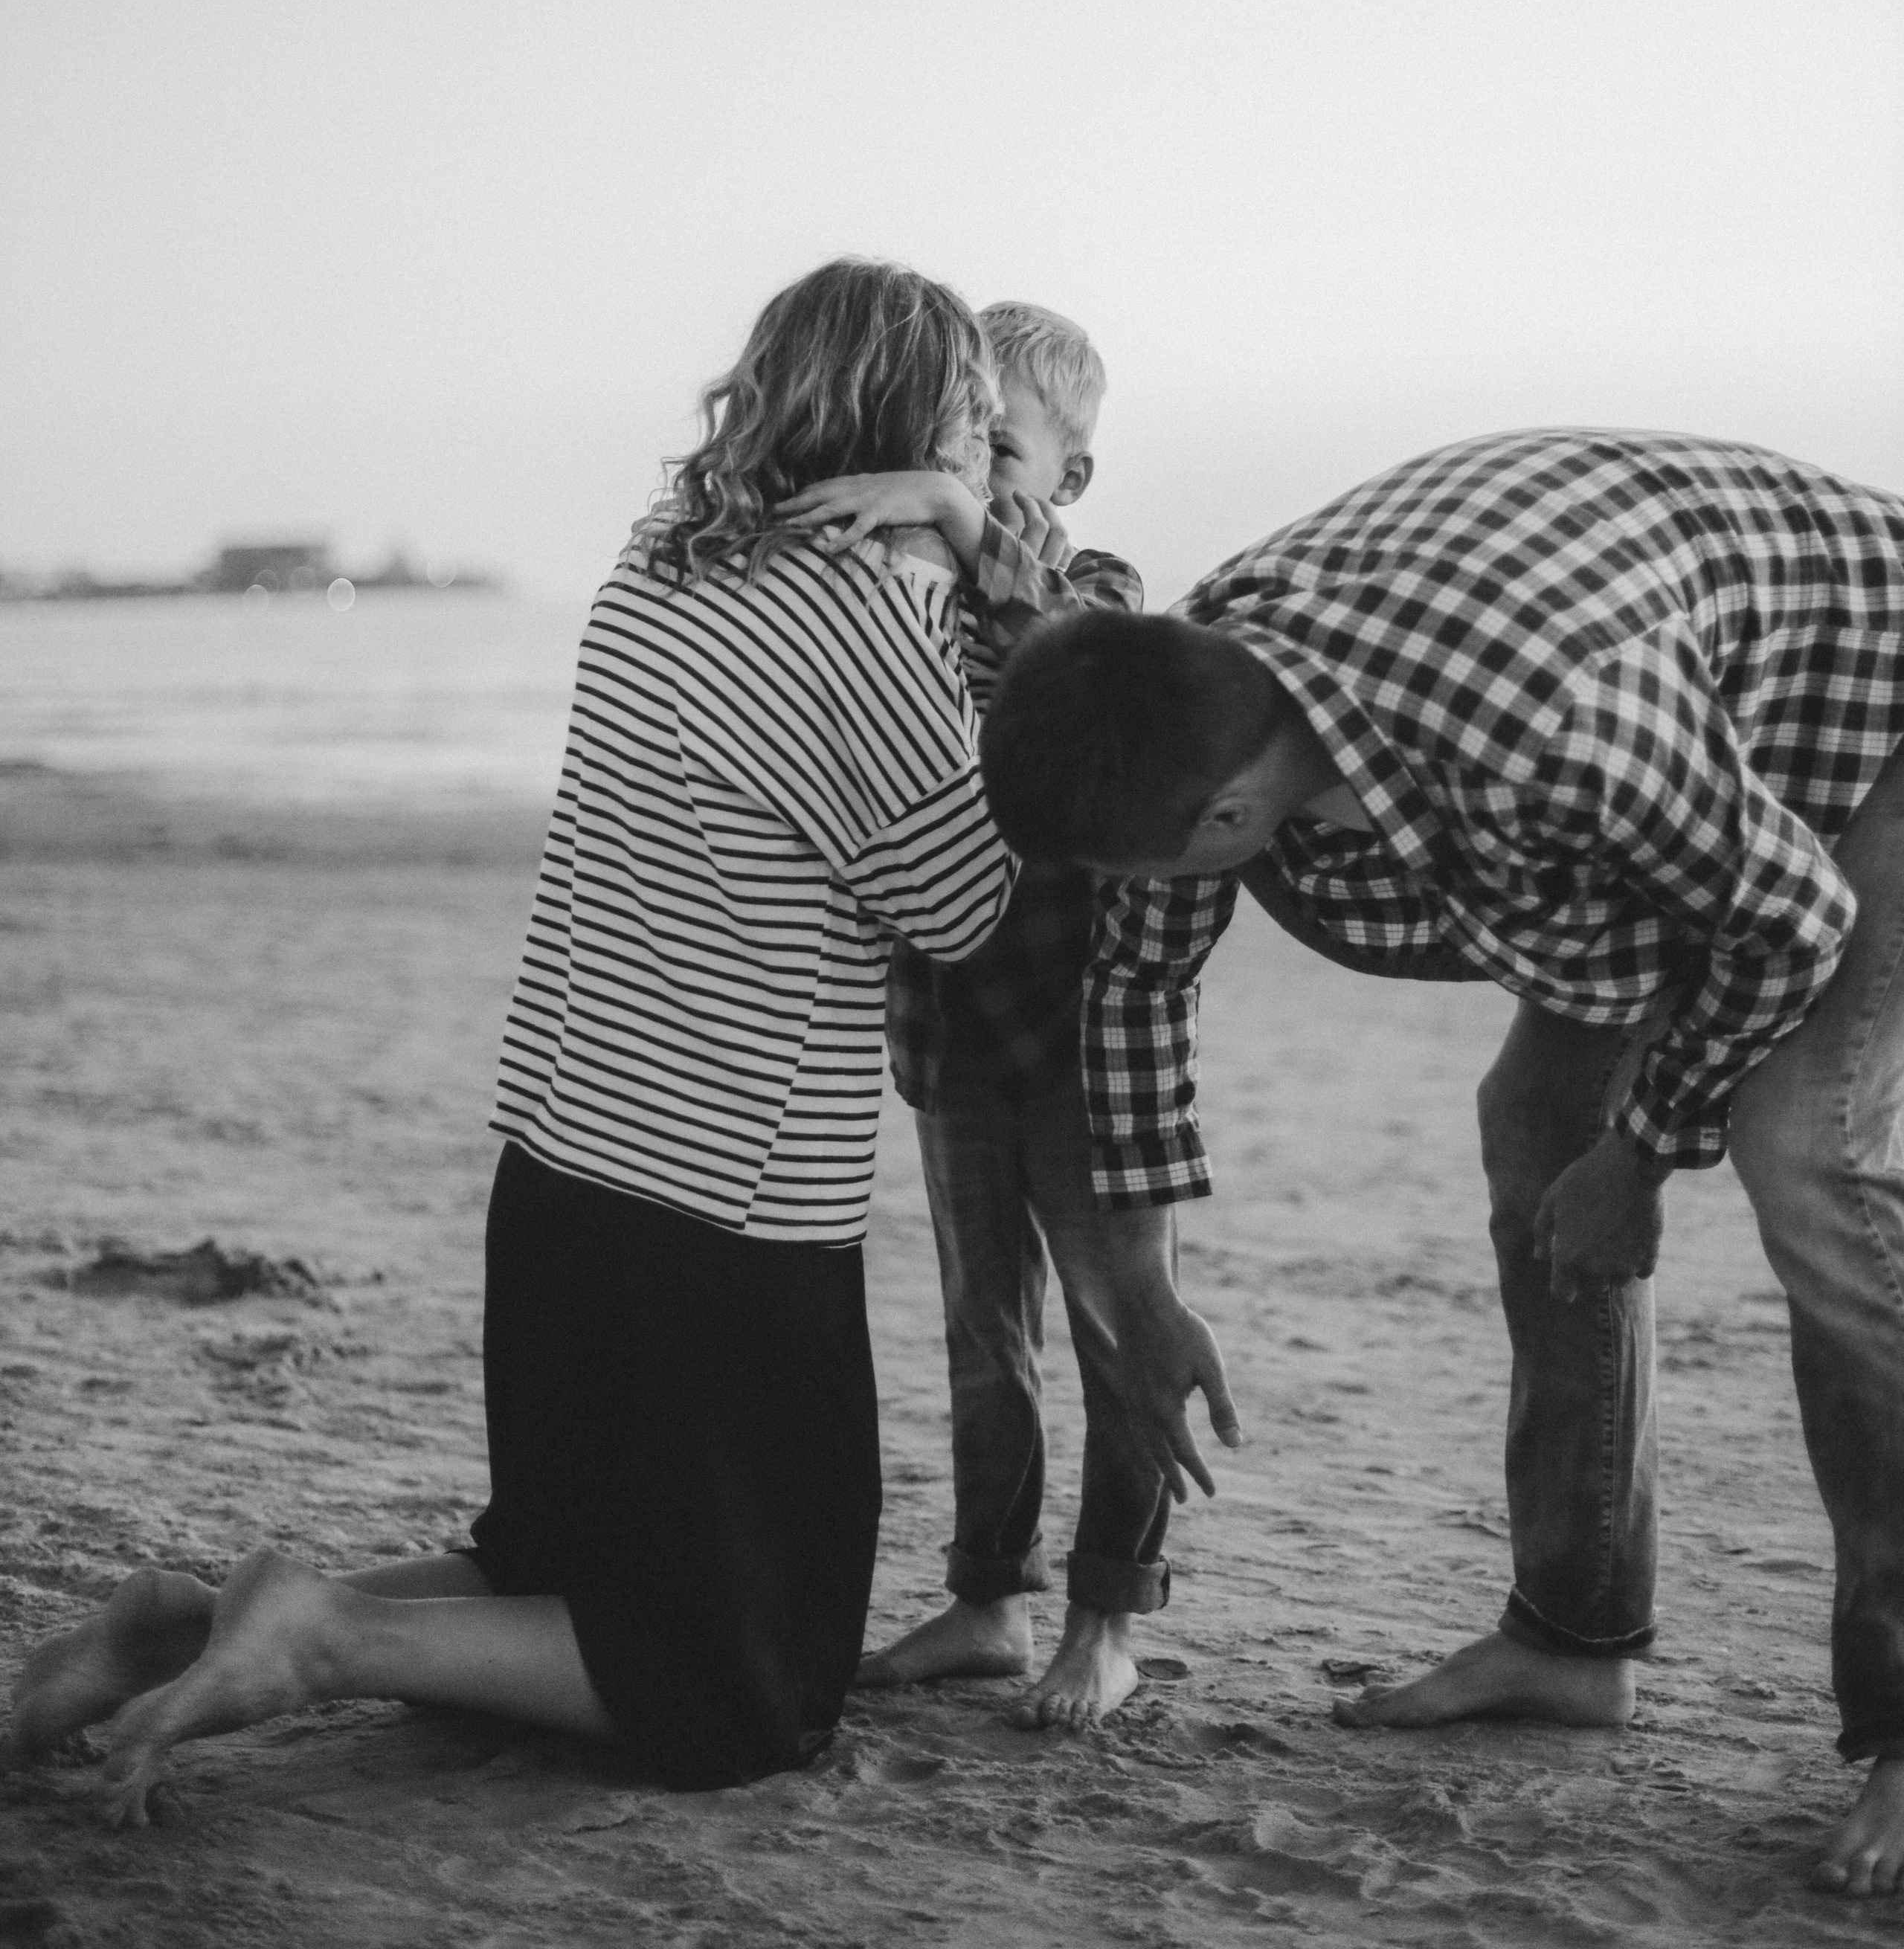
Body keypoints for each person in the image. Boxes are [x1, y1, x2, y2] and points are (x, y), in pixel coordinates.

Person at [5, 258, 1016, 1823]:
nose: (982, 451)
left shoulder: (656, 564)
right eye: (977, 424)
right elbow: (965, 908)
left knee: (556, 1561)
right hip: (725, 1209)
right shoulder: (860, 622)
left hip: (561, 1166)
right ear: (925, 424)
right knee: (745, 1679)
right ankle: (321, 1633)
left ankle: (170, 1634)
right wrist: (978, 566)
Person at [977, 427, 1904, 1898]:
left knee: (1803, 1155)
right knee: (1534, 1130)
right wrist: (1143, 1295)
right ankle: (1568, 1641)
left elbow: (1789, 919)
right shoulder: (1197, 699)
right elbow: (1138, 1001)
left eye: (1128, 874)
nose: (1120, 904)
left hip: (1863, 728)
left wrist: (1648, 1150)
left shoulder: (1551, 721)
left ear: (1226, 814)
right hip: (1693, 765)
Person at [783, 303, 1166, 1730]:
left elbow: (1096, 699)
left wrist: (960, 519)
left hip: (1086, 1041)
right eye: (954, 442)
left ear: (1065, 475)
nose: (970, 470)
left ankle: (1109, 1618)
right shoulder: (908, 598)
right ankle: (989, 1596)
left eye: (998, 448)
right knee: (980, 1330)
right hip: (948, 1025)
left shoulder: (1097, 592)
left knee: (1116, 1324)